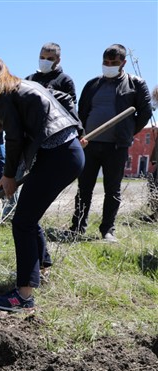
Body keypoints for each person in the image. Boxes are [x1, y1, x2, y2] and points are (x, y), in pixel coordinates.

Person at [0, 55, 85, 312]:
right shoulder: (23, 85)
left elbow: (14, 138)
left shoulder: (2, 93)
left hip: (60, 155)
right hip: (65, 152)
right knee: (28, 217)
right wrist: (78, 130)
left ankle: (23, 297)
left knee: (22, 222)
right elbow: (64, 99)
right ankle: (41, 267)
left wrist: (9, 175)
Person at [68, 44, 152, 242]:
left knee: (112, 189)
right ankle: (77, 227)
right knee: (84, 188)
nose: (108, 66)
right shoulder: (92, 85)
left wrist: (128, 132)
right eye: (105, 62)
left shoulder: (135, 84)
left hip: (116, 146)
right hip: (90, 144)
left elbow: (145, 112)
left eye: (113, 63)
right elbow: (81, 113)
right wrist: (82, 134)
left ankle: (107, 230)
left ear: (123, 63)